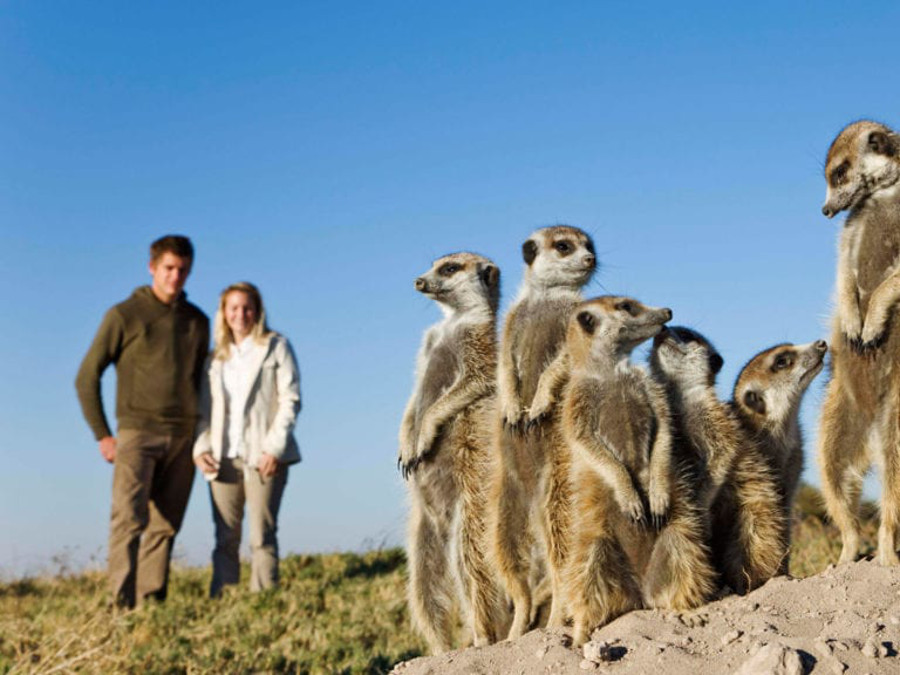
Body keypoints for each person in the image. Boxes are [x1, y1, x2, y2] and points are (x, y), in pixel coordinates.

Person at [75, 235, 209, 609]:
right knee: (128, 521)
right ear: (152, 267)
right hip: (136, 433)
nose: (175, 276)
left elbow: (202, 383)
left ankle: (152, 605)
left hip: (182, 437)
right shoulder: (124, 315)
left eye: (183, 269)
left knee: (165, 525)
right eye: (168, 268)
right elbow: (86, 375)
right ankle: (118, 607)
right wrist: (102, 434)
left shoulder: (197, 321)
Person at [192, 281, 301, 596]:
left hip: (265, 456)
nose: (241, 314)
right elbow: (202, 412)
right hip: (222, 457)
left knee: (261, 535)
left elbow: (290, 400)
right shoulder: (214, 360)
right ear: (224, 313)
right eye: (233, 308)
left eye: (247, 307)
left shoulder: (276, 346)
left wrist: (274, 448)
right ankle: (223, 599)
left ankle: (264, 600)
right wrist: (200, 449)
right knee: (225, 537)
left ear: (258, 310)